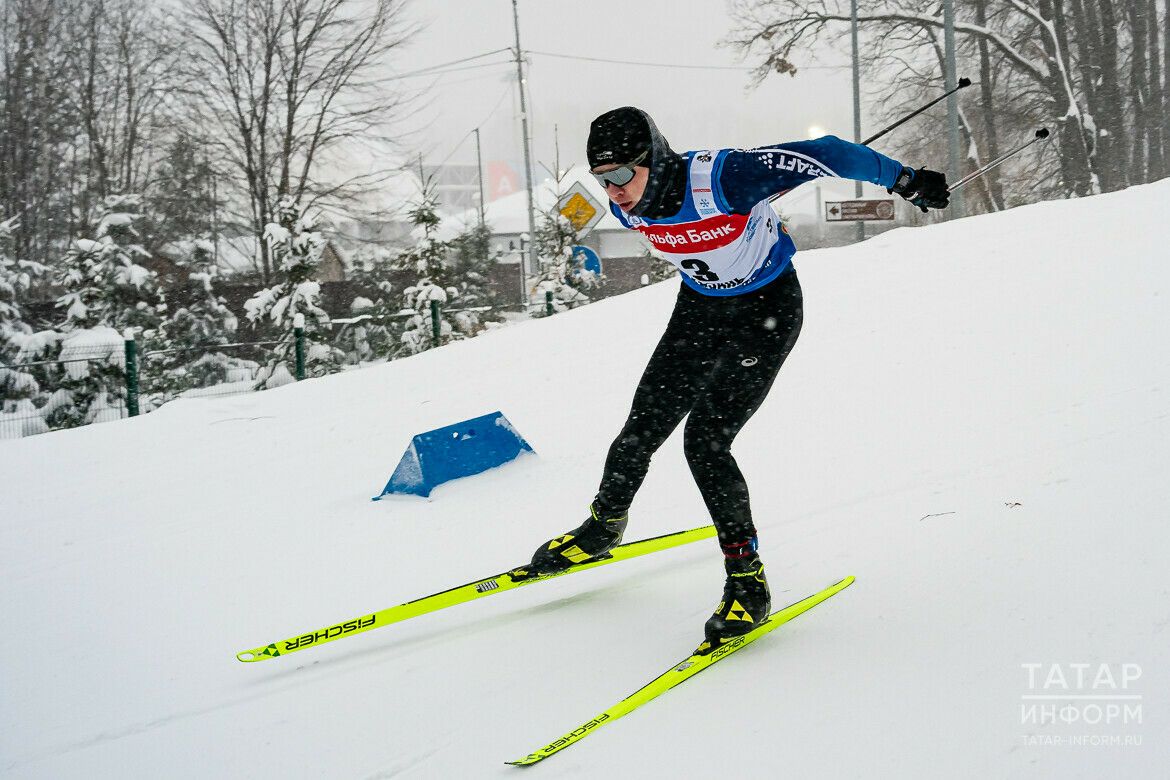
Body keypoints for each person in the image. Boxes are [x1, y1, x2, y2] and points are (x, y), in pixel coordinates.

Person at [526, 106, 950, 653]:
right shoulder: (628, 202)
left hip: (764, 314)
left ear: (653, 159)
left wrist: (906, 181)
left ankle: (747, 581)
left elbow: (831, 156)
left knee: (704, 442)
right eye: (600, 178)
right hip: (700, 311)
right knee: (641, 427)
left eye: (621, 175)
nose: (614, 191)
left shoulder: (724, 179)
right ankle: (603, 527)